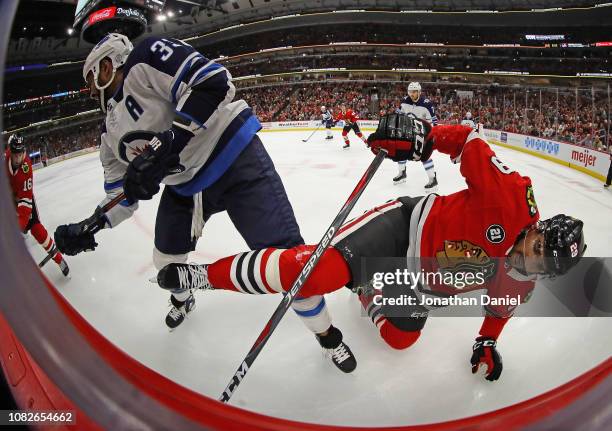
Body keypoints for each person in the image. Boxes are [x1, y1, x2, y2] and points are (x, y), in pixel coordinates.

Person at [157, 115, 586, 381]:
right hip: (404, 227)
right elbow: (469, 141)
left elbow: (496, 313)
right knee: (317, 274)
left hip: (416, 282)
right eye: (539, 244)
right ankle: (203, 276)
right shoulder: (510, 196)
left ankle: (368, 289)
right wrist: (425, 139)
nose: (529, 257)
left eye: (540, 264)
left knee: (401, 340)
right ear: (538, 227)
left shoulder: (519, 285)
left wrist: (486, 343)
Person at [52, 34, 355, 372]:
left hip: (235, 155)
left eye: (89, 80)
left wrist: (170, 143)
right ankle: (184, 296)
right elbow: (121, 196)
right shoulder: (109, 133)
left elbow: (214, 82)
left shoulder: (146, 57)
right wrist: (92, 223)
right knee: (165, 260)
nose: (89, 91)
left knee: (289, 264)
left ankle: (328, 336)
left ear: (105, 66)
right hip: (186, 184)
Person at [4, 134, 69, 276]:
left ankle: (59, 259)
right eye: (15, 155)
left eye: (21, 154)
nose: (18, 158)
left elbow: (25, 211)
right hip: (9, 196)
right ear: (10, 152)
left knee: (36, 229)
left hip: (23, 198)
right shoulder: (5, 159)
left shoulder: (26, 169)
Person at [395, 82, 439, 189]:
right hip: (408, 132)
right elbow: (400, 115)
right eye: (410, 91)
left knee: (424, 155)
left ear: (419, 92)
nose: (411, 94)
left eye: (414, 92)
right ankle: (402, 173)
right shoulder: (405, 101)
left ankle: (433, 179)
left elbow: (433, 122)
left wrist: (430, 136)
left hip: (422, 133)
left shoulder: (427, 104)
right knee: (401, 152)